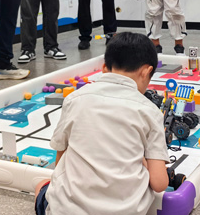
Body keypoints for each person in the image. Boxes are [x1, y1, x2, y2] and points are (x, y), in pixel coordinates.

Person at [33, 32, 169, 215]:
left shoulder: (75, 98)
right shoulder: (150, 111)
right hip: (125, 211)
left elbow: (60, 159)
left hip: (66, 210)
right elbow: (159, 183)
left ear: (105, 68)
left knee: (42, 185)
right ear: (146, 72)